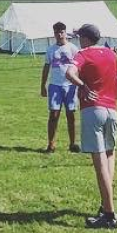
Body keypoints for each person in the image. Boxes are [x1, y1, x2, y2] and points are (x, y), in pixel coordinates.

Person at [63, 24, 117, 229]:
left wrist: (83, 86)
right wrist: (111, 100)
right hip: (112, 110)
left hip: (93, 110)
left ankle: (109, 214)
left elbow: (70, 74)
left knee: (99, 164)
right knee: (110, 156)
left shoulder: (83, 54)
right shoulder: (111, 54)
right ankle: (106, 204)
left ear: (84, 38)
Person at [40, 21, 80, 154]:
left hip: (70, 86)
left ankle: (73, 143)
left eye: (61, 32)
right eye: (56, 32)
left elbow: (80, 66)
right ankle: (51, 144)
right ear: (54, 34)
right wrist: (43, 86)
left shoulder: (73, 48)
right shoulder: (51, 50)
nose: (59, 35)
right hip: (55, 85)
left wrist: (79, 83)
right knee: (54, 114)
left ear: (65, 32)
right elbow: (46, 68)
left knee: (71, 114)